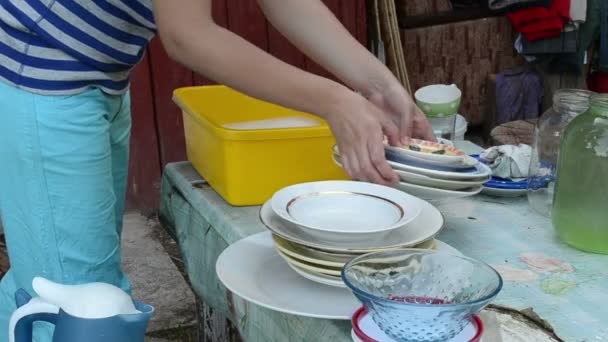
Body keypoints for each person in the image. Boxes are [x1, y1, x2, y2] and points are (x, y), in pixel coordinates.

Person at [0, 0, 434, 340]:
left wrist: (378, 86)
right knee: (84, 309)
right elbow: (188, 36)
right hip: (41, 71)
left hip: (94, 78)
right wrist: (335, 101)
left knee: (43, 276)